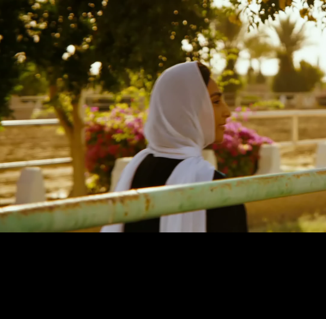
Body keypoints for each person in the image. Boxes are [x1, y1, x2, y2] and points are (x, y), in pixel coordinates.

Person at [100, 61, 248, 232]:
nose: (227, 111)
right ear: (186, 110)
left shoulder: (137, 169)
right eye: (215, 102)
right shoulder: (222, 193)